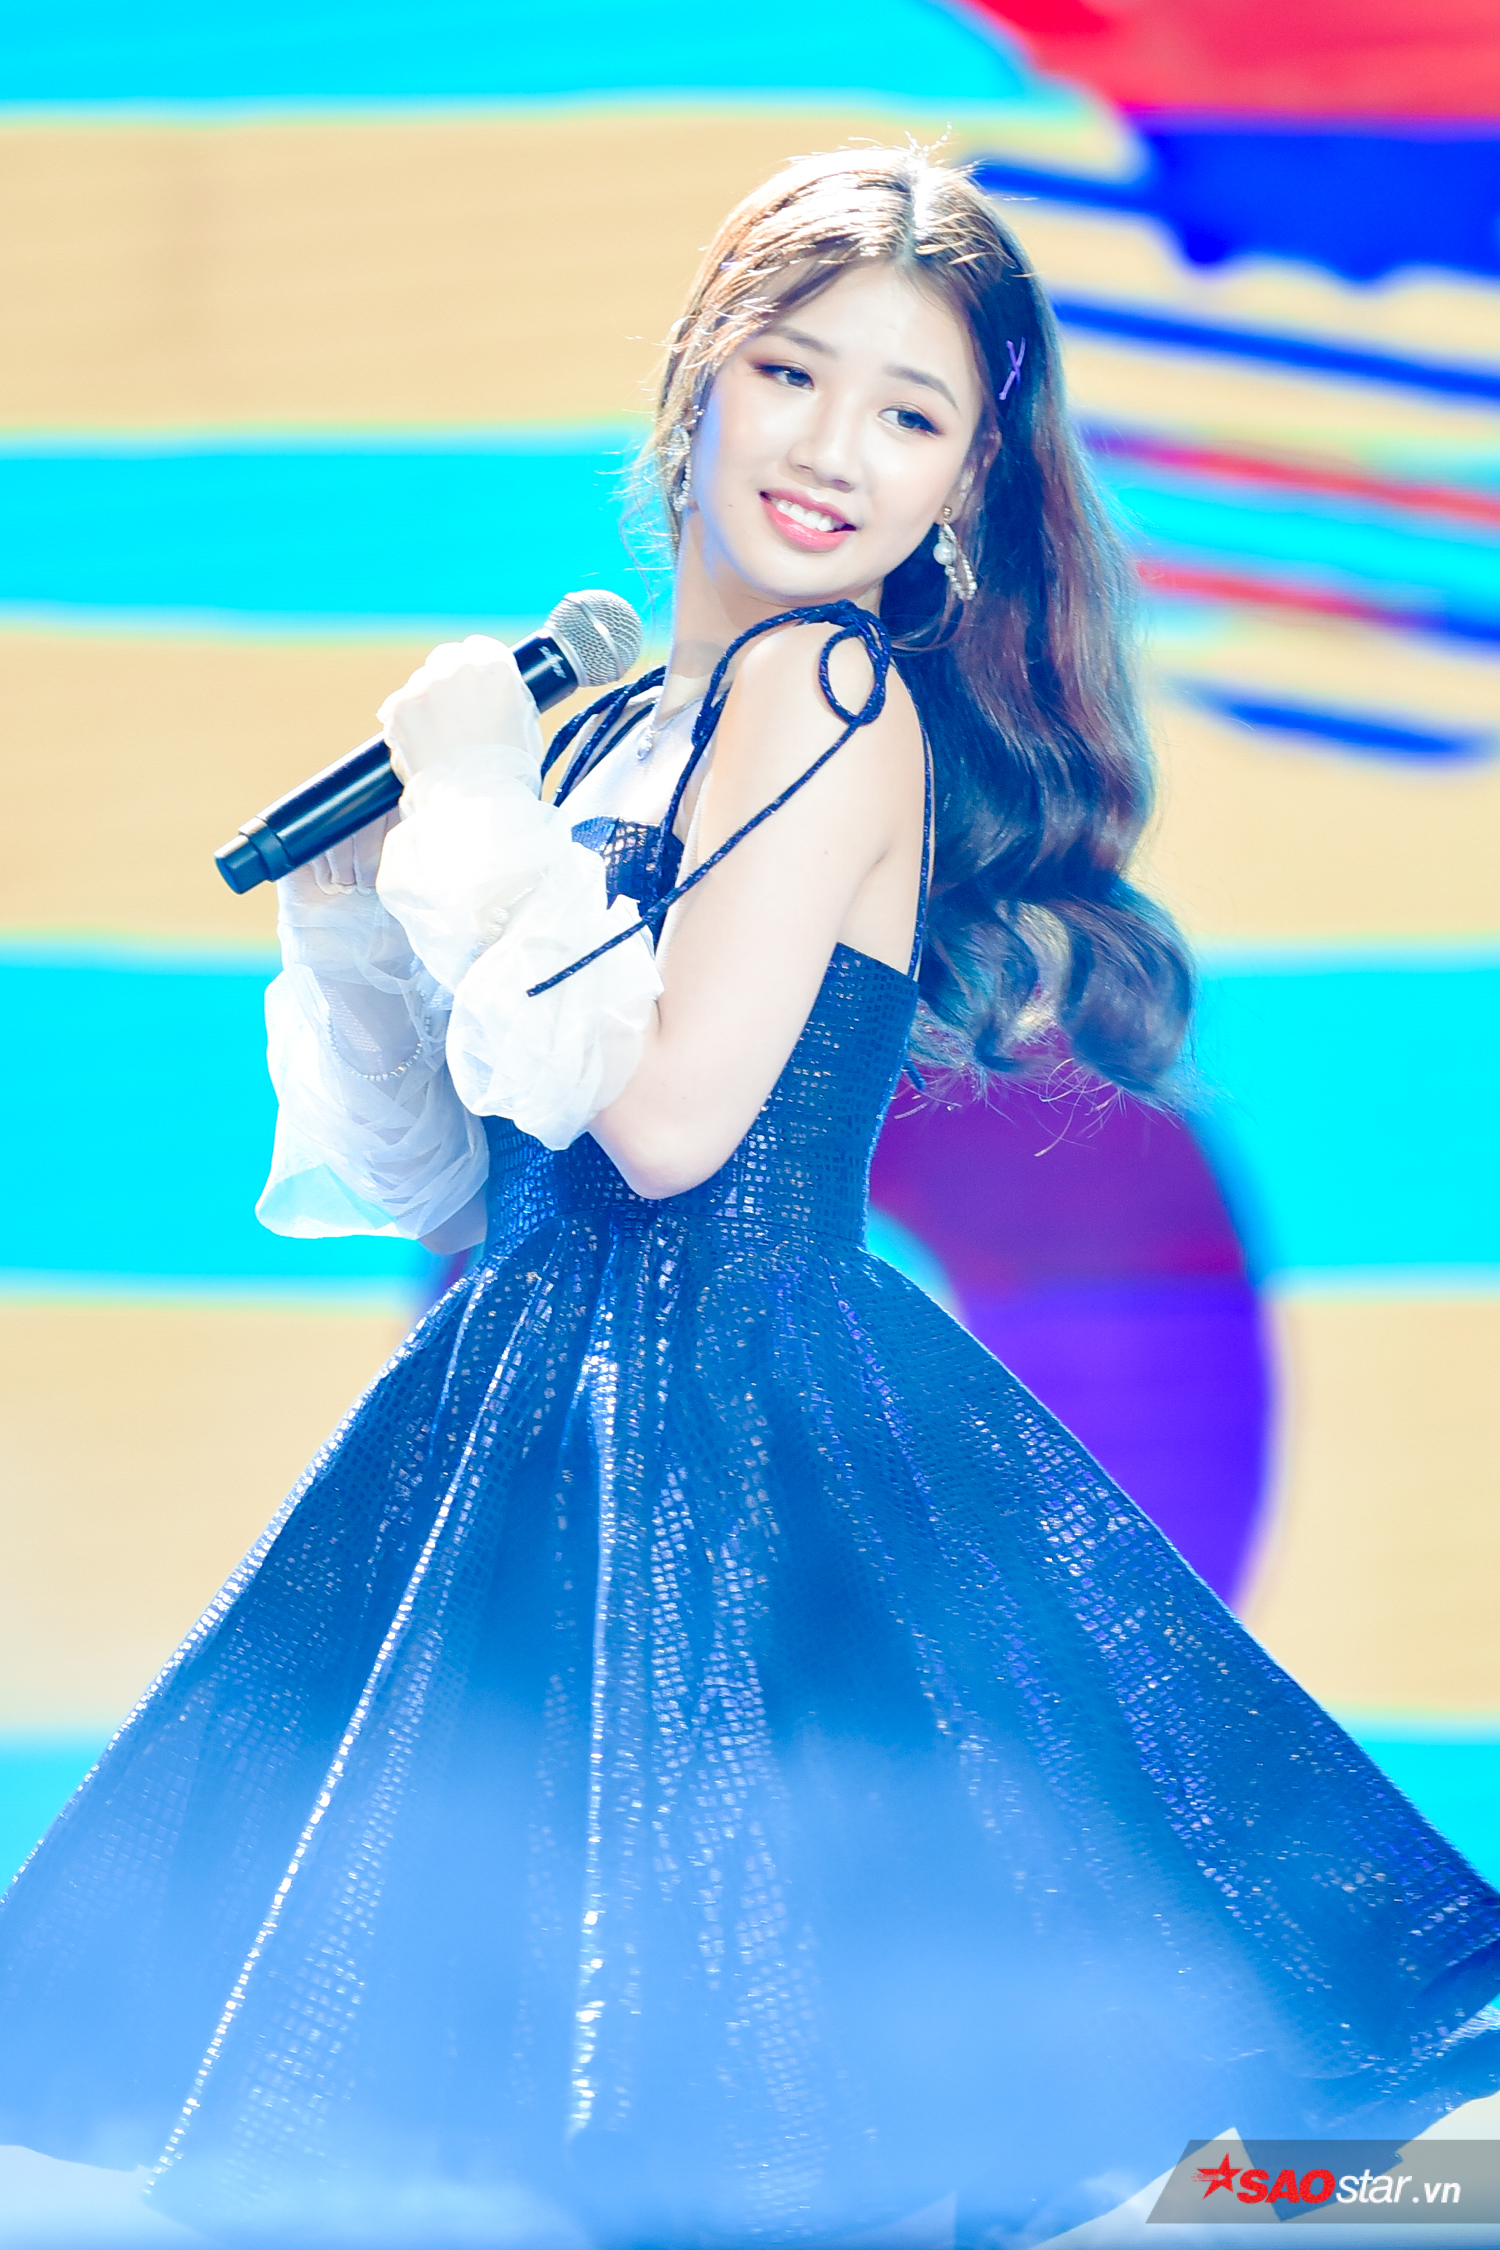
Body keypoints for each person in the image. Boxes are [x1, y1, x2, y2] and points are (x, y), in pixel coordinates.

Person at [2, 147, 1498, 2250]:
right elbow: (447, 1177)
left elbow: (673, 1127)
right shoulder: (615, 723)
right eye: (794, 373)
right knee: (600, 2133)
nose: (832, 448)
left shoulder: (831, 693)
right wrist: (357, 904)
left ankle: (1353, 2204)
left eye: (911, 412)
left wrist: (479, 821)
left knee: (881, 2132)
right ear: (699, 376)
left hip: (737, 1450)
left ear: (966, 484)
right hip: (524, 1433)